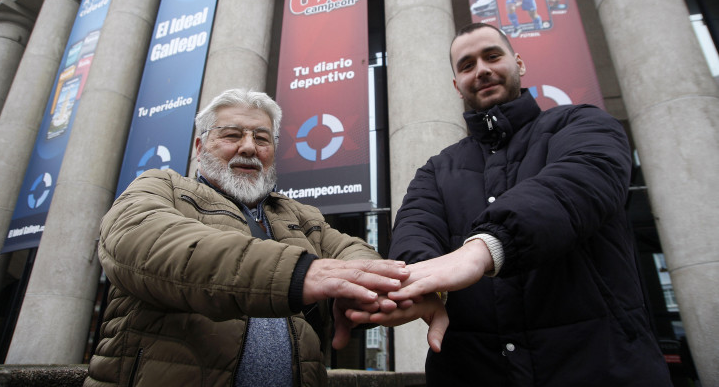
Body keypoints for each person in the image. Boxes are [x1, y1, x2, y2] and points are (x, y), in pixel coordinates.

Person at [349, 23, 672, 386]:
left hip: (602, 366)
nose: (481, 69)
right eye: (467, 65)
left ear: (518, 63)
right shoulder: (437, 170)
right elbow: (414, 230)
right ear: (457, 85)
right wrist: (418, 286)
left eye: (492, 56)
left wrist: (483, 248)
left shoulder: (584, 124)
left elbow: (575, 185)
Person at [84, 89, 410, 387]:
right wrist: (300, 274)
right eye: (232, 135)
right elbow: (141, 241)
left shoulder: (300, 215)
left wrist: (357, 289)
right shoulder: (161, 186)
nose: (250, 147)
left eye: (263, 139)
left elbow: (354, 250)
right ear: (200, 146)